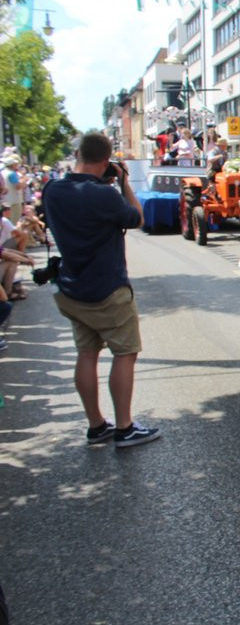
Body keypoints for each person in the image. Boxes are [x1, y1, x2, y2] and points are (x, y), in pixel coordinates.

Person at [42, 133, 160, 448]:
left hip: (72, 288)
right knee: (125, 353)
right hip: (108, 288)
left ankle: (96, 425)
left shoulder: (52, 191)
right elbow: (136, 218)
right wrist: (123, 182)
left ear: (78, 153)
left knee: (86, 353)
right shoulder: (104, 196)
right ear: (107, 161)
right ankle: (124, 427)